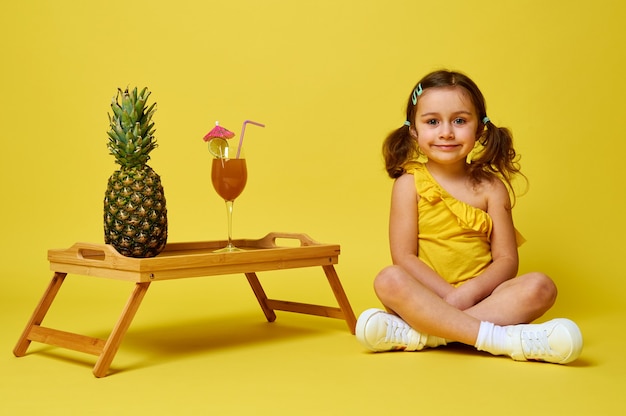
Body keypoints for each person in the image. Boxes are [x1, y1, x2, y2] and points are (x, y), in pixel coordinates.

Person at [355, 69, 583, 364]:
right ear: (414, 130)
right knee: (389, 279)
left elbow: (506, 260)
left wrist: (467, 295)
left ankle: (425, 335)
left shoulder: (492, 187)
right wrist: (449, 296)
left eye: (460, 121)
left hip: (484, 300)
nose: (446, 132)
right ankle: (501, 340)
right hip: (425, 297)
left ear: (479, 129)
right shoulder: (408, 184)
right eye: (432, 121)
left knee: (541, 286)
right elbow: (404, 257)